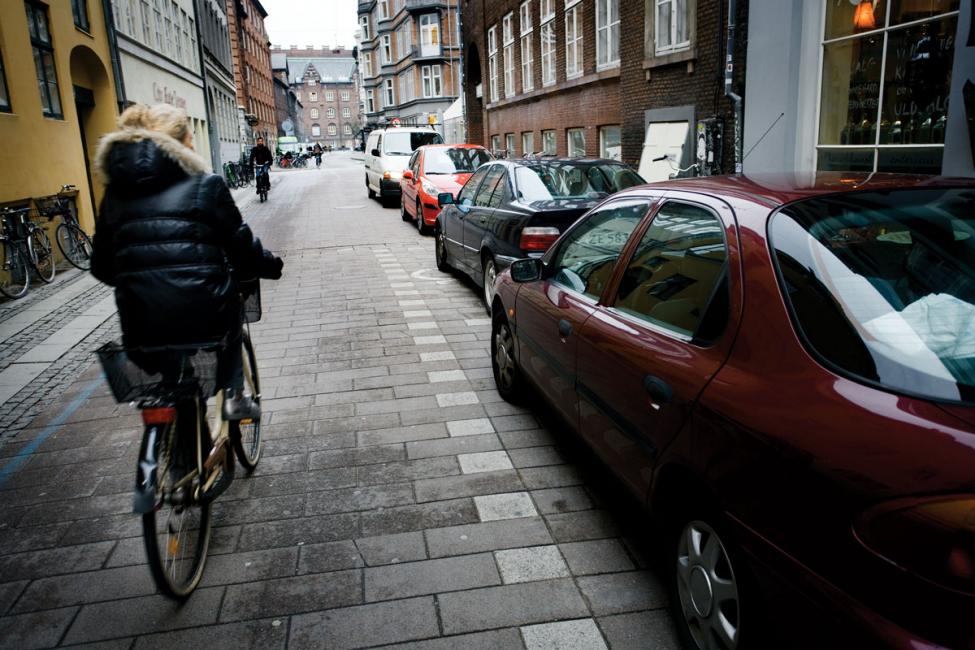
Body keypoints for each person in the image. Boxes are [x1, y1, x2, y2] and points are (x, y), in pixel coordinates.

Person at [91, 104, 283, 420]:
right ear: (181, 143)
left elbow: (101, 266)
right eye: (191, 137)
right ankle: (235, 395)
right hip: (204, 315)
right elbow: (241, 247)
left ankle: (173, 428)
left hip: (140, 323)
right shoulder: (206, 186)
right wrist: (270, 266)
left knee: (169, 368)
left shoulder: (114, 194)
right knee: (232, 315)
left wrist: (139, 280)